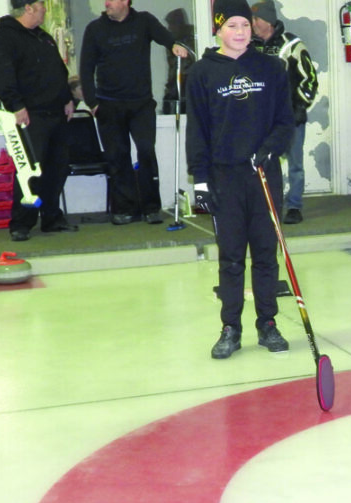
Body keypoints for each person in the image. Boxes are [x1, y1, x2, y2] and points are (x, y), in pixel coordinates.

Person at [186, 0, 294, 359]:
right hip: (223, 179)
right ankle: (230, 327)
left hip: (263, 176)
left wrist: (270, 148)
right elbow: (197, 131)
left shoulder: (272, 68)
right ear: (219, 29)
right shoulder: (203, 73)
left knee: (265, 253)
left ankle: (268, 324)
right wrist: (200, 181)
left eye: (245, 25)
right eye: (232, 25)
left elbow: (285, 121)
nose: (240, 32)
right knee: (231, 258)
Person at [79, 0, 190, 226]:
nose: (106, 3)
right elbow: (86, 68)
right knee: (117, 156)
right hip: (108, 105)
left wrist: (174, 45)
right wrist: (92, 103)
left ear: (126, 2)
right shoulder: (95, 29)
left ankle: (151, 208)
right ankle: (125, 209)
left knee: (146, 151)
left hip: (140, 104)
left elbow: (165, 38)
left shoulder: (144, 21)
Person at [0, 0, 78, 242]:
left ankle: (52, 218)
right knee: (29, 172)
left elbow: (59, 71)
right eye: (41, 4)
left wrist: (67, 98)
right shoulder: (5, 38)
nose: (45, 9)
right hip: (30, 115)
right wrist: (16, 106)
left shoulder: (43, 37)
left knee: (57, 169)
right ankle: (21, 223)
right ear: (28, 8)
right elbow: (3, 75)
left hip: (56, 113)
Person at [250, 0, 317, 225]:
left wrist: (299, 108)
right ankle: (266, 205)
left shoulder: (292, 45)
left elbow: (310, 80)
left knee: (295, 164)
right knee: (265, 163)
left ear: (268, 21)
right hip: (261, 120)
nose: (252, 23)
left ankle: (294, 207)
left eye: (256, 19)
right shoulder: (248, 46)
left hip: (290, 118)